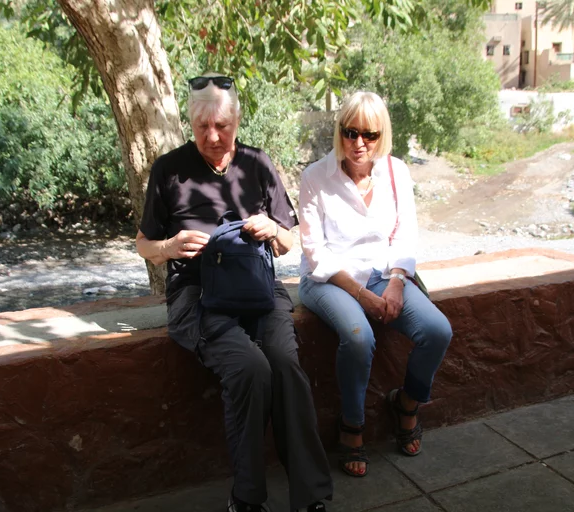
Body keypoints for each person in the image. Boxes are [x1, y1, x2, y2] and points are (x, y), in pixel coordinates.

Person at [136, 74, 332, 512]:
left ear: (237, 121)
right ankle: (246, 498)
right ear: (191, 124)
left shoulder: (257, 164)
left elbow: (289, 242)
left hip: (257, 289)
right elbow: (144, 244)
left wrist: (273, 230)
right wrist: (169, 247)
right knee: (250, 368)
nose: (212, 136)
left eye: (221, 126)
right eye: (202, 127)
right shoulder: (169, 170)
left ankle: (310, 495)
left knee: (284, 365)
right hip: (198, 295)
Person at [298, 91, 452, 478]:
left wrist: (397, 281)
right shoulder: (315, 177)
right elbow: (316, 253)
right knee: (358, 336)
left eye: (370, 134)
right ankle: (352, 425)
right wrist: (361, 294)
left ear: (383, 135)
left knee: (437, 330)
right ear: (339, 131)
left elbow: (404, 235)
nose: (359, 143)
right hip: (329, 279)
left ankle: (407, 403)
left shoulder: (395, 172)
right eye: (350, 132)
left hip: (384, 274)